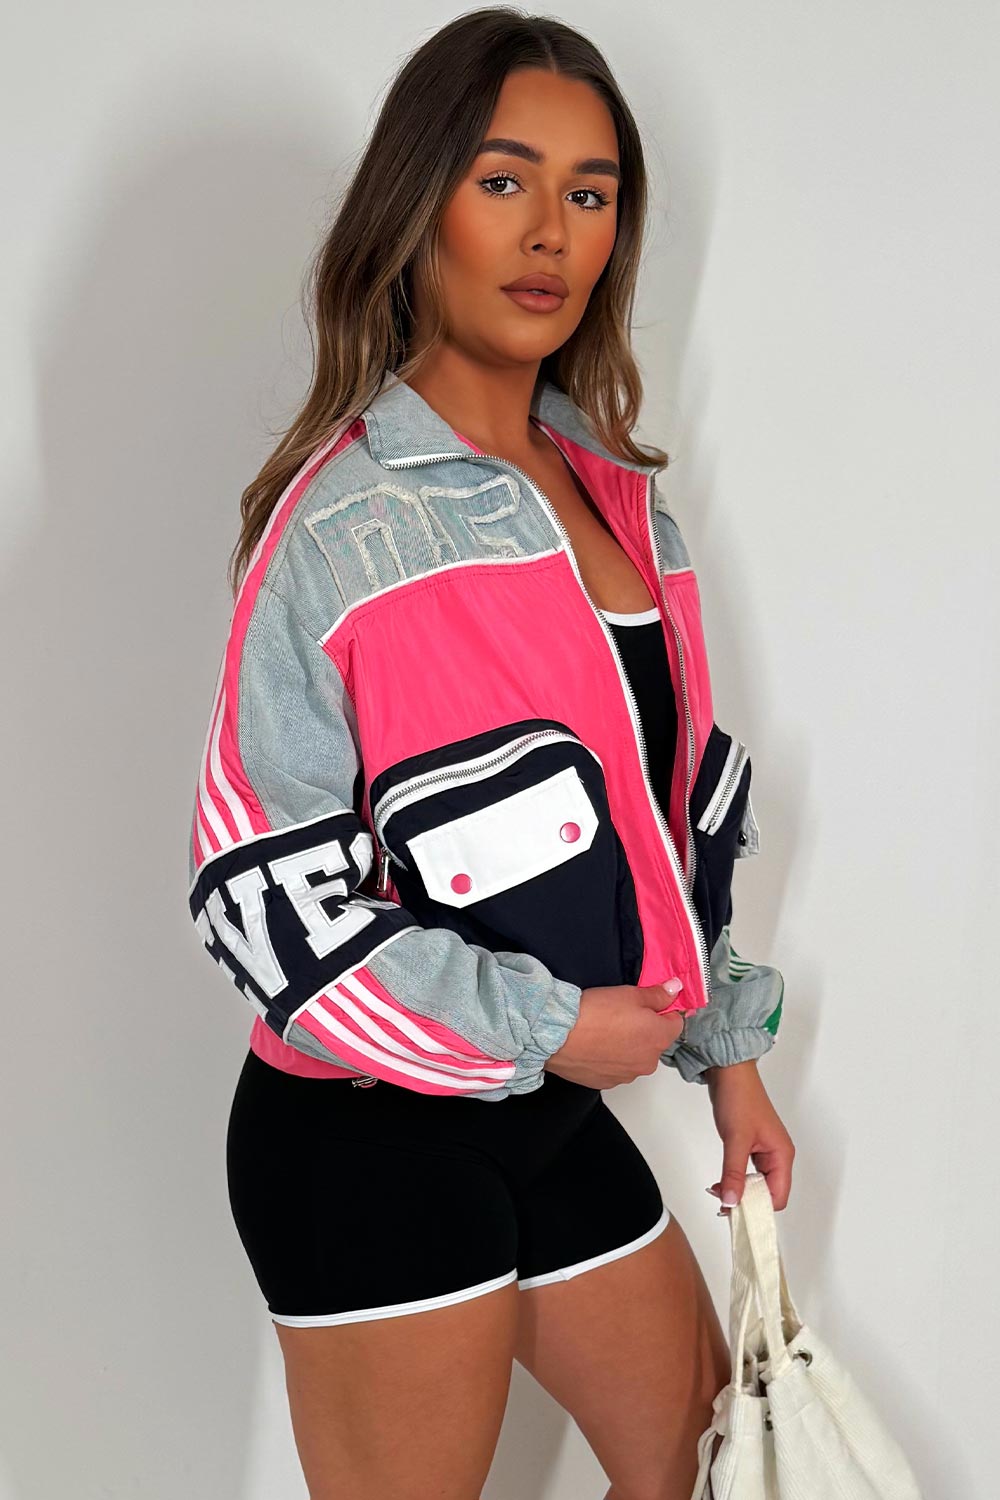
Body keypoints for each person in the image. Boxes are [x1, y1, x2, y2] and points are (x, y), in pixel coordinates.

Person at [186, 9, 795, 1496]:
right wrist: (549, 1028)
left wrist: (726, 1058)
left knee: (699, 1456)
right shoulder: (337, 528)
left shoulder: (623, 500)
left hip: (547, 1114)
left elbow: (665, 824)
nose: (550, 233)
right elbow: (267, 906)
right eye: (503, 180)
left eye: (591, 193)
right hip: (365, 1137)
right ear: (420, 207)